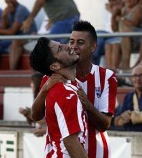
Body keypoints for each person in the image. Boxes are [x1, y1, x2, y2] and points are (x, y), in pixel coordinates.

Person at [32, 20, 118, 158]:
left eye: (80, 43)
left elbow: (105, 124)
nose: (73, 47)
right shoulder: (53, 79)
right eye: (71, 41)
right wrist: (44, 89)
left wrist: (88, 105)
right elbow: (36, 116)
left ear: (93, 47)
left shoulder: (107, 77)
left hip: (97, 151)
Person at [30, 37, 88, 158]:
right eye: (60, 48)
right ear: (55, 66)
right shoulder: (65, 93)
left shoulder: (51, 80)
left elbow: (35, 116)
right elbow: (70, 141)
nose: (68, 46)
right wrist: (44, 89)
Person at [19, 72, 46, 137]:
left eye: (32, 82)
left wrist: (28, 114)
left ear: (37, 84)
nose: (30, 85)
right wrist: (26, 115)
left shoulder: (46, 99)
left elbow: (45, 121)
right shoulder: (37, 99)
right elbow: (32, 122)